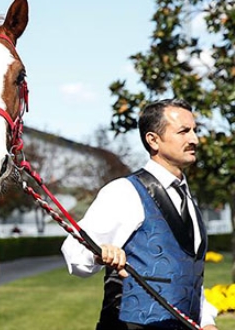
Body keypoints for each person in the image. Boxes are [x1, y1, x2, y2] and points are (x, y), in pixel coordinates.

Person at [61, 99, 218, 330]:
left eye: (195, 131)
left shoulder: (187, 198)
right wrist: (99, 252)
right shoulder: (125, 191)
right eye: (184, 131)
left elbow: (186, 274)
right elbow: (74, 251)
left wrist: (206, 322)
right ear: (153, 140)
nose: (194, 139)